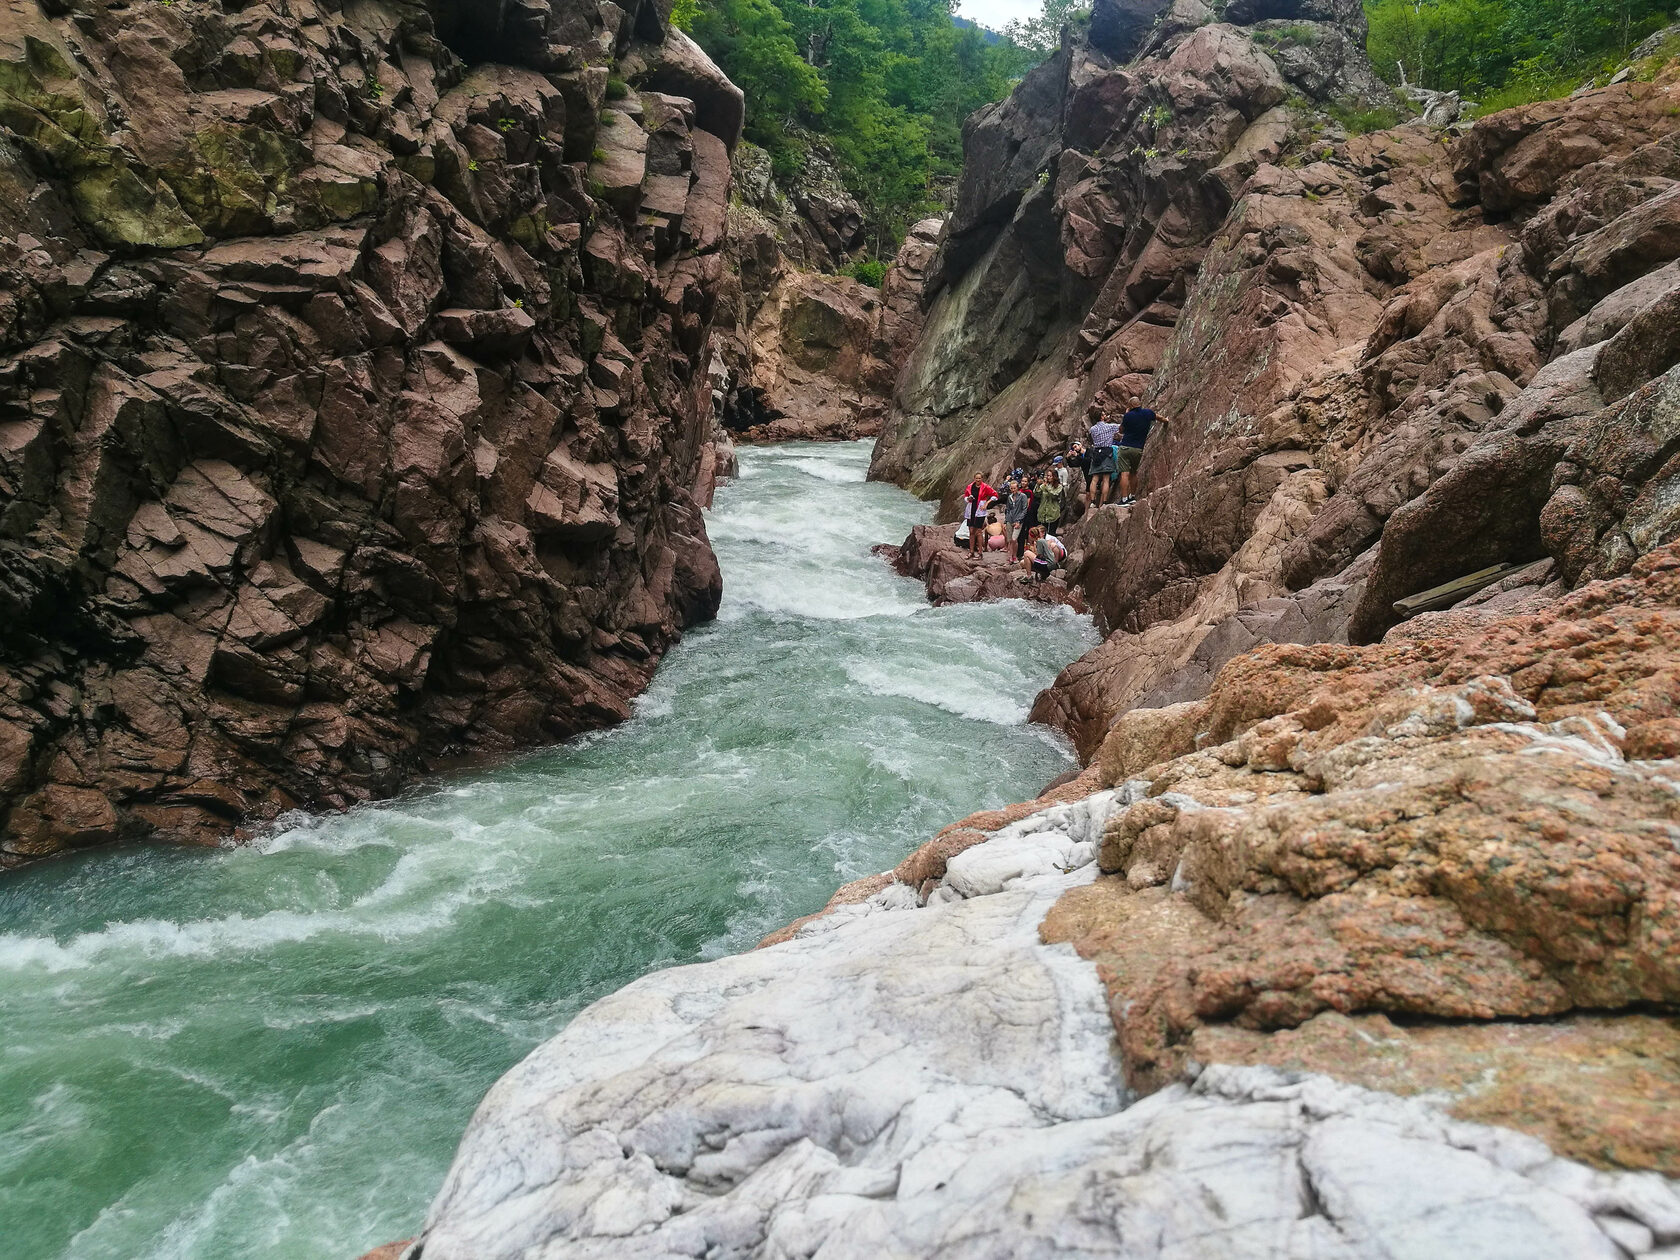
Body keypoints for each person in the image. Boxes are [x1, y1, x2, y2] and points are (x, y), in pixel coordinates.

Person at [1115, 397, 1169, 505]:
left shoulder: (1128, 416)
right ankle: (1132, 496)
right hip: (1138, 448)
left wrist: (1126, 414)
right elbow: (1160, 418)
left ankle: (1124, 499)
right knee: (1134, 473)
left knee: (1124, 473)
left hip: (1125, 446)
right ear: (1140, 404)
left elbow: (1121, 430)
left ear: (1130, 406)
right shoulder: (1147, 413)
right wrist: (1166, 421)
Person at [1085, 403, 1120, 508]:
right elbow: (1121, 427)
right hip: (1107, 452)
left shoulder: (1092, 429)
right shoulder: (1110, 427)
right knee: (1106, 478)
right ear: (1101, 417)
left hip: (1096, 453)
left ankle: (1092, 501)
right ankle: (1104, 502)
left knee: (1094, 479)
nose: (1105, 416)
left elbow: (1090, 438)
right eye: (1104, 415)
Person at [962, 472, 996, 557]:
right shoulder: (970, 486)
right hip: (971, 509)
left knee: (978, 531)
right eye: (976, 478)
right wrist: (968, 498)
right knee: (971, 531)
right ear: (974, 478)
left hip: (980, 511)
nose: (978, 480)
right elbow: (965, 497)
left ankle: (980, 552)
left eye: (979, 478)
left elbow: (995, 495)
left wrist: (986, 503)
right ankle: (971, 551)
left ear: (982, 479)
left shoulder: (985, 487)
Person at [1015, 473, 1041, 559]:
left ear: (1028, 482)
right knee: (1020, 535)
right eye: (1022, 481)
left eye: (1025, 481)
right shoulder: (1019, 491)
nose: (1023, 483)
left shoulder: (1029, 492)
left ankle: (1029, 552)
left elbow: (1027, 504)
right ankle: (1020, 553)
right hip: (1020, 514)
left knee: (1028, 533)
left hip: (1027, 514)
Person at [1037, 468, 1064, 533]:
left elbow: (1054, 495)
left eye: (1050, 476)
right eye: (1047, 476)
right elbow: (1037, 494)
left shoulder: (1059, 487)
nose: (1048, 477)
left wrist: (1046, 487)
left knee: (1051, 533)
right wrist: (1038, 484)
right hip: (1043, 512)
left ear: (1054, 477)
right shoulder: (1044, 485)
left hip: (1053, 513)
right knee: (1043, 533)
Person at [1004, 478, 1028, 547]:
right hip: (1010, 519)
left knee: (1014, 539)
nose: (1013, 490)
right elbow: (1008, 509)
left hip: (1018, 520)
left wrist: (1019, 520)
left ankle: (1014, 555)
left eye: (1014, 488)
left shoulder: (1023, 496)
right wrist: (1006, 521)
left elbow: (1024, 509)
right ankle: (1010, 555)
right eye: (1011, 488)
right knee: (1010, 540)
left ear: (1017, 488)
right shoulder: (1009, 497)